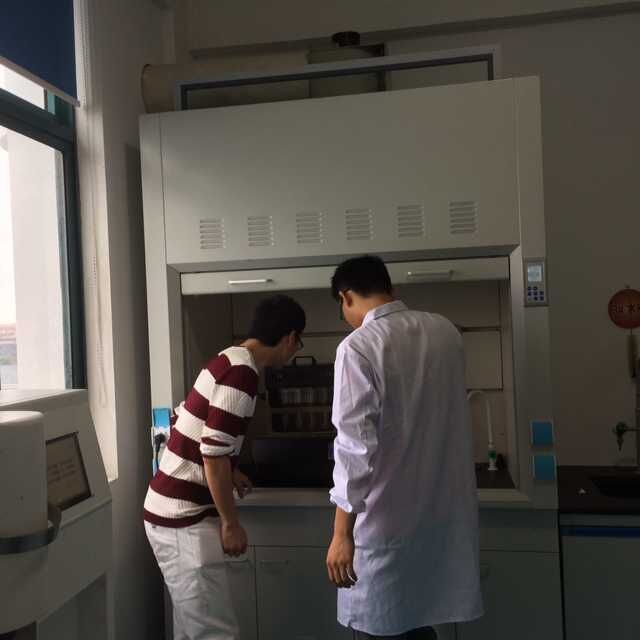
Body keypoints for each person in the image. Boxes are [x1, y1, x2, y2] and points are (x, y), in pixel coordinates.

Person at [326, 255, 483, 639]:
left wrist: (341, 533)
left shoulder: (358, 346)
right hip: (439, 520)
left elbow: (354, 448)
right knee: (420, 623)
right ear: (390, 288)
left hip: (385, 525)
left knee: (383, 625)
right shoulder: (445, 331)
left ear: (346, 296)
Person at [144, 294, 306, 640]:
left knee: (194, 630)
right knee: (215, 633)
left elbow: (188, 422)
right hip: (182, 519)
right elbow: (213, 455)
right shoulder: (242, 374)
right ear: (290, 338)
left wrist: (230, 471)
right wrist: (231, 523)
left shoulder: (228, 358)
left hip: (171, 513)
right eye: (298, 343)